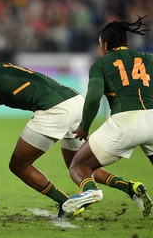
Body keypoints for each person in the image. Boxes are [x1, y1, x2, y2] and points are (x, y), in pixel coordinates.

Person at [0, 45, 149, 218]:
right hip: (75, 102)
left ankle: (65, 203)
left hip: (54, 110)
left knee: (19, 165)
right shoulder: (3, 71)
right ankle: (130, 188)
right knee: (79, 164)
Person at [62, 16, 152, 218]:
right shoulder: (148, 59)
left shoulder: (101, 64)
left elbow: (93, 98)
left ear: (104, 45)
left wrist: (84, 127)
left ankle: (91, 191)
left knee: (79, 165)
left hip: (125, 121)